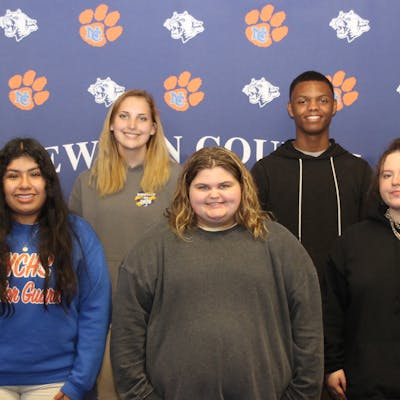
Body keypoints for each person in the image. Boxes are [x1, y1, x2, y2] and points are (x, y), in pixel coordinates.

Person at [110, 146, 323, 400]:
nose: (214, 195)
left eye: (224, 185)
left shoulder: (280, 245)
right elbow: (126, 338)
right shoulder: (152, 249)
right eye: (203, 187)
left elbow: (309, 331)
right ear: (186, 191)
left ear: (242, 188)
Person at [69, 89, 180, 400]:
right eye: (124, 116)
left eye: (142, 117)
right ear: (111, 125)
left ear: (154, 127)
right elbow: (72, 257)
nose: (133, 125)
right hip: (105, 317)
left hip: (164, 314)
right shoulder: (86, 183)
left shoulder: (177, 179)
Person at [0, 138, 111, 400]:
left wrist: (79, 382)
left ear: (48, 182)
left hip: (56, 380)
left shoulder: (77, 234)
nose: (25, 185)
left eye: (35, 175)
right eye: (13, 176)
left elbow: (95, 310)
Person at [251, 70, 372, 296]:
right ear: (291, 109)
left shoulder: (357, 171)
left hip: (344, 298)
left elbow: (370, 238)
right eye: (303, 101)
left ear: (334, 106)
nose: (313, 107)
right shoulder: (266, 170)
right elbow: (251, 237)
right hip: (282, 295)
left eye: (322, 100)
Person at [324, 138, 400, 400]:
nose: (395, 182)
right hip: (367, 382)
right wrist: (332, 364)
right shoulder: (353, 241)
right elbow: (332, 309)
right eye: (387, 175)